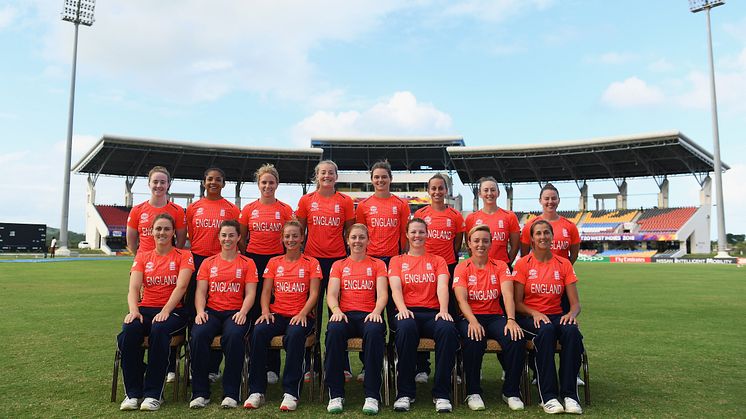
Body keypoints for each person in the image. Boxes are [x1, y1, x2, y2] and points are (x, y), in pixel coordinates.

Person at [117, 213, 194, 411]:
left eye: (167, 229)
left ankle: (153, 394)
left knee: (159, 329)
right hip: (146, 308)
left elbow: (181, 287)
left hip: (173, 312)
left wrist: (166, 310)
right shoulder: (143, 256)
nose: (162, 232)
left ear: (173, 233)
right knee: (129, 330)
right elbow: (134, 288)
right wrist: (134, 310)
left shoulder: (184, 255)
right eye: (158, 229)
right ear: (151, 232)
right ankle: (133, 394)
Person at [244, 220, 322, 412]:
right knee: (259, 331)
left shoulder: (311, 262)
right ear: (282, 239)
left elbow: (314, 294)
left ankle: (291, 392)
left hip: (301, 315)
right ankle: (256, 390)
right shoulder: (274, 262)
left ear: (302, 238)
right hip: (277, 313)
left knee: (295, 335)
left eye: (295, 235)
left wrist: (303, 313)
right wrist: (264, 312)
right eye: (287, 236)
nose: (291, 239)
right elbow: (266, 292)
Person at [513, 220, 584, 415]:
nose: (543, 237)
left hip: (556, 315)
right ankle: (549, 397)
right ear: (532, 239)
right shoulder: (523, 264)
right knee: (545, 331)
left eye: (546, 233)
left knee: (572, 332)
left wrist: (571, 314)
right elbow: (517, 303)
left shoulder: (564, 264)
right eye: (538, 234)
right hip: (530, 318)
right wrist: (534, 312)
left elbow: (576, 304)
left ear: (552, 237)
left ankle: (570, 395)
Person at [388, 218, 458, 413]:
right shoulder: (397, 260)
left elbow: (442, 286)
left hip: (433, 313)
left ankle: (442, 393)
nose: (417, 235)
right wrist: (402, 308)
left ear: (427, 234)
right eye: (413, 232)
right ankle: (405, 393)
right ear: (407, 235)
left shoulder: (438, 261)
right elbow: (395, 288)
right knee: (406, 328)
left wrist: (444, 310)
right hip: (407, 311)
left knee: (448, 330)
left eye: (421, 232)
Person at [453, 225, 525, 411]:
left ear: (491, 243)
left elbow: (508, 295)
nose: (481, 244)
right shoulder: (462, 267)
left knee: (515, 337)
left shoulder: (501, 266)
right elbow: (461, 300)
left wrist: (511, 319)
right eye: (476, 241)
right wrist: (473, 321)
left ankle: (511, 391)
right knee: (474, 337)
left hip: (495, 316)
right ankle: (473, 391)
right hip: (469, 317)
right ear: (469, 243)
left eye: (485, 241)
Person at [188, 220, 258, 409]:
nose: (227, 239)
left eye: (231, 235)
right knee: (198, 335)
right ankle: (200, 393)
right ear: (219, 237)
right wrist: (200, 311)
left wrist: (244, 312)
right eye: (224, 235)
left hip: (235, 313)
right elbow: (201, 292)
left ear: (238, 237)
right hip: (212, 311)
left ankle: (231, 393)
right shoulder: (208, 263)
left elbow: (251, 292)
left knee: (234, 336)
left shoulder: (247, 263)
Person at [296, 160, 355, 380]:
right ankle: (308, 365)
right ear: (317, 176)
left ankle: (342, 365)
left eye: (331, 172)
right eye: (323, 173)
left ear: (336, 176)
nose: (327, 176)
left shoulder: (345, 201)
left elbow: (350, 234)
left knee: (338, 312)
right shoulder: (306, 200)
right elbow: (298, 232)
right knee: (310, 312)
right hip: (312, 261)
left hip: (338, 261)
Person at [324, 223, 388, 415]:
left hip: (369, 314)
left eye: (361, 237)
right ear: (347, 240)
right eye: (354, 237)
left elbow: (383, 294)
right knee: (334, 330)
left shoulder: (378, 264)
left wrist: (376, 312)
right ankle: (336, 394)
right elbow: (332, 294)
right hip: (346, 315)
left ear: (368, 240)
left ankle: (371, 395)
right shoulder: (339, 265)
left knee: (375, 331)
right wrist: (336, 310)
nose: (357, 241)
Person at [354, 160, 409, 381]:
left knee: (394, 311)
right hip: (370, 262)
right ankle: (367, 363)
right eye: (376, 177)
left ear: (390, 179)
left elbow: (405, 236)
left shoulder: (401, 204)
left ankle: (397, 358)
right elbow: (359, 234)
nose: (380, 180)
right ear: (372, 180)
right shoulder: (365, 205)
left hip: (393, 261)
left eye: (384, 177)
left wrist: (397, 258)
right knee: (368, 310)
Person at [238, 163, 293, 385]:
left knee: (273, 312)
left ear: (277, 184)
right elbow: (242, 238)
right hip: (254, 262)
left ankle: (273, 366)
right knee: (253, 314)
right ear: (258, 184)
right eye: (264, 182)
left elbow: (293, 236)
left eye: (271, 182)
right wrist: (250, 259)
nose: (267, 186)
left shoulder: (286, 209)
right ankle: (253, 362)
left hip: (278, 263)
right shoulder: (249, 209)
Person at [185, 168, 240, 382]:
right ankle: (196, 365)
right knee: (197, 314)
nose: (213, 182)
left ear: (224, 183)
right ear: (204, 182)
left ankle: (213, 368)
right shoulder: (193, 209)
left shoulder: (231, 209)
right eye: (210, 179)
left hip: (223, 262)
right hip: (198, 261)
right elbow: (189, 236)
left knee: (222, 310)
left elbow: (237, 237)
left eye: (218, 179)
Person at [413, 173, 465, 383]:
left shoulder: (455, 215)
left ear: (446, 190)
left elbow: (456, 243)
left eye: (440, 188)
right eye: (433, 188)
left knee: (449, 316)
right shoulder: (421, 213)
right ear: (428, 190)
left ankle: (453, 366)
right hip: (424, 268)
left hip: (448, 268)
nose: (436, 192)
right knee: (421, 312)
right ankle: (422, 368)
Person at [126, 166, 187, 256]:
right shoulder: (136, 210)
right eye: (155, 182)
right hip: (144, 263)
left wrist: (172, 257)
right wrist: (141, 257)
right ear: (149, 184)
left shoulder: (178, 211)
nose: (158, 185)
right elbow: (131, 242)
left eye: (162, 182)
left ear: (168, 185)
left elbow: (181, 241)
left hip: (168, 262)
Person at [465, 176, 520, 267]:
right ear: (479, 193)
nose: (489, 193)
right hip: (479, 268)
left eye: (493, 190)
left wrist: (505, 265)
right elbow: (469, 246)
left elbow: (515, 246)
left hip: (502, 269)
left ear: (498, 193)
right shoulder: (471, 218)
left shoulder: (510, 216)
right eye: (486, 190)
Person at [520, 183, 580, 264]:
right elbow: (524, 255)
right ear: (540, 200)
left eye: (554, 198)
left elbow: (574, 255)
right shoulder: (530, 226)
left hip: (561, 275)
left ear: (559, 200)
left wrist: (563, 268)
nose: (550, 201)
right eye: (546, 198)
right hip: (538, 274)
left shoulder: (570, 226)